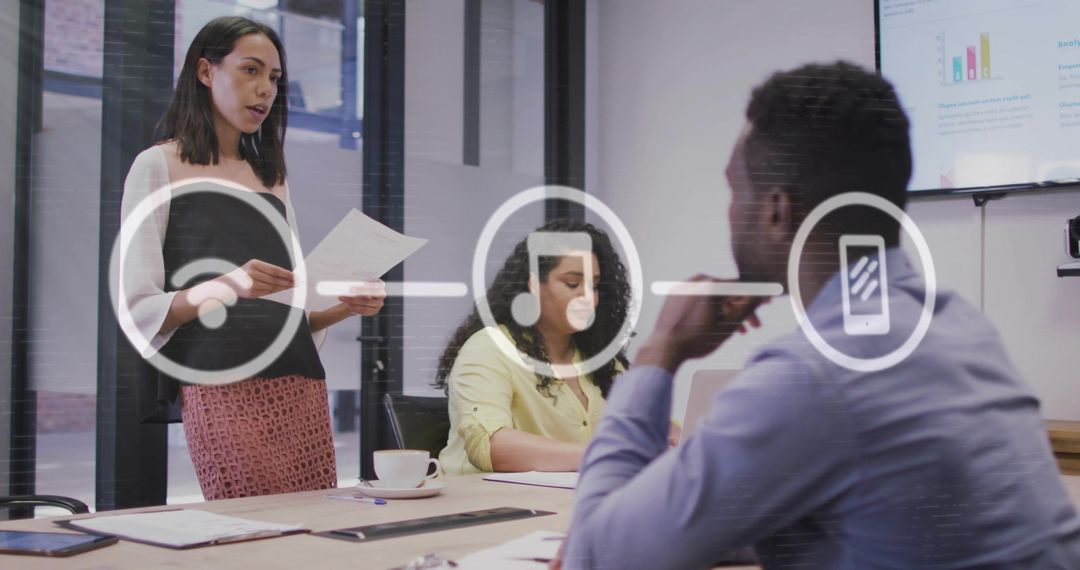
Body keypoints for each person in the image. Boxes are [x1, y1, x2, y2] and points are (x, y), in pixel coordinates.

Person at [560, 62, 1080, 568]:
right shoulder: (959, 327)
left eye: (734, 189)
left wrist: (660, 352)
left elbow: (593, 554)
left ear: (776, 211)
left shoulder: (811, 377)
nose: (730, 210)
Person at [118, 16, 386, 500]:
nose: (265, 90)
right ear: (205, 71)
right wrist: (229, 285)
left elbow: (286, 312)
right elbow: (139, 308)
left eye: (275, 79)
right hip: (220, 384)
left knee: (312, 525)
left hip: (298, 381)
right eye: (250, 71)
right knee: (252, 525)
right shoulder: (157, 165)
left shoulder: (271, 177)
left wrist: (346, 307)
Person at [435, 219, 637, 475]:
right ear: (532, 285)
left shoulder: (601, 360)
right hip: (483, 507)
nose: (588, 297)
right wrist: (604, 455)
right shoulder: (489, 348)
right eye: (573, 284)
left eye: (594, 286)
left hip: (570, 505)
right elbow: (490, 446)